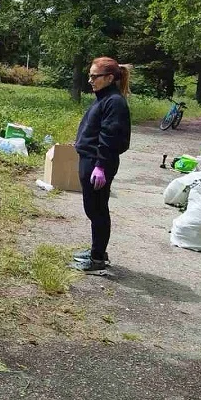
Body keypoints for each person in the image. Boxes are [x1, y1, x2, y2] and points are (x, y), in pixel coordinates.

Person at [71, 58, 132, 274]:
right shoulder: (104, 98)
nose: (90, 80)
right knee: (94, 209)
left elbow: (111, 137)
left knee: (97, 211)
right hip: (91, 159)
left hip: (97, 164)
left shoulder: (114, 102)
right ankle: (97, 251)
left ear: (109, 78)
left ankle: (97, 259)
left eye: (94, 76)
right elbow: (95, 129)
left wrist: (101, 166)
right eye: (90, 75)